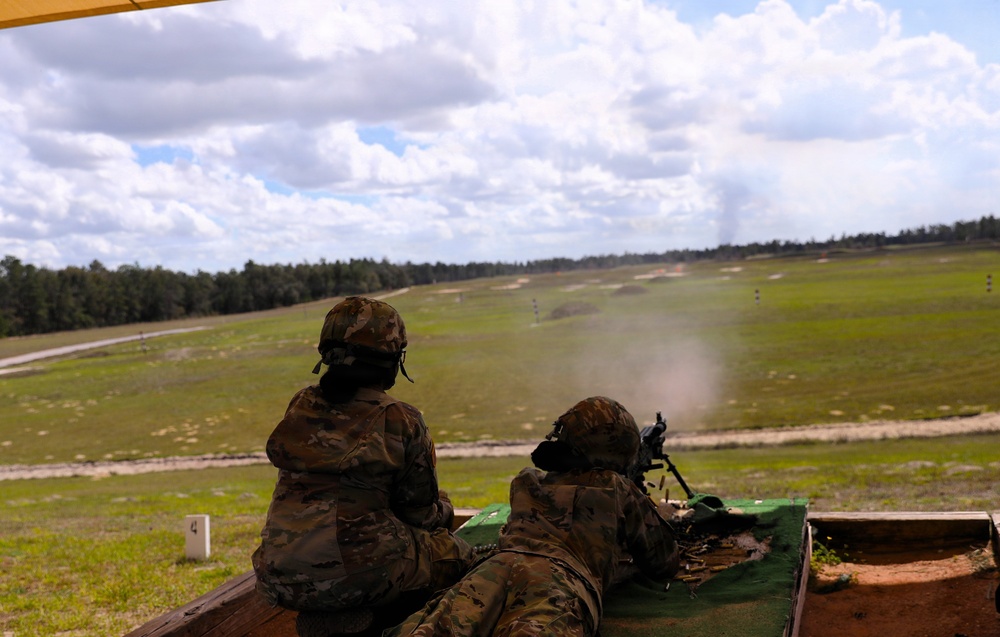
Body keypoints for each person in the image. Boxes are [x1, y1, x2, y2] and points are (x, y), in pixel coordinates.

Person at [252, 296, 474, 636]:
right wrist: (444, 509)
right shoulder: (400, 417)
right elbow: (419, 516)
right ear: (392, 358)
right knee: (455, 555)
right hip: (356, 574)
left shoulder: (301, 403)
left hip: (278, 576)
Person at [386, 396, 680, 637]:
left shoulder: (527, 482)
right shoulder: (617, 488)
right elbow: (663, 561)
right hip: (556, 584)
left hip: (494, 570)